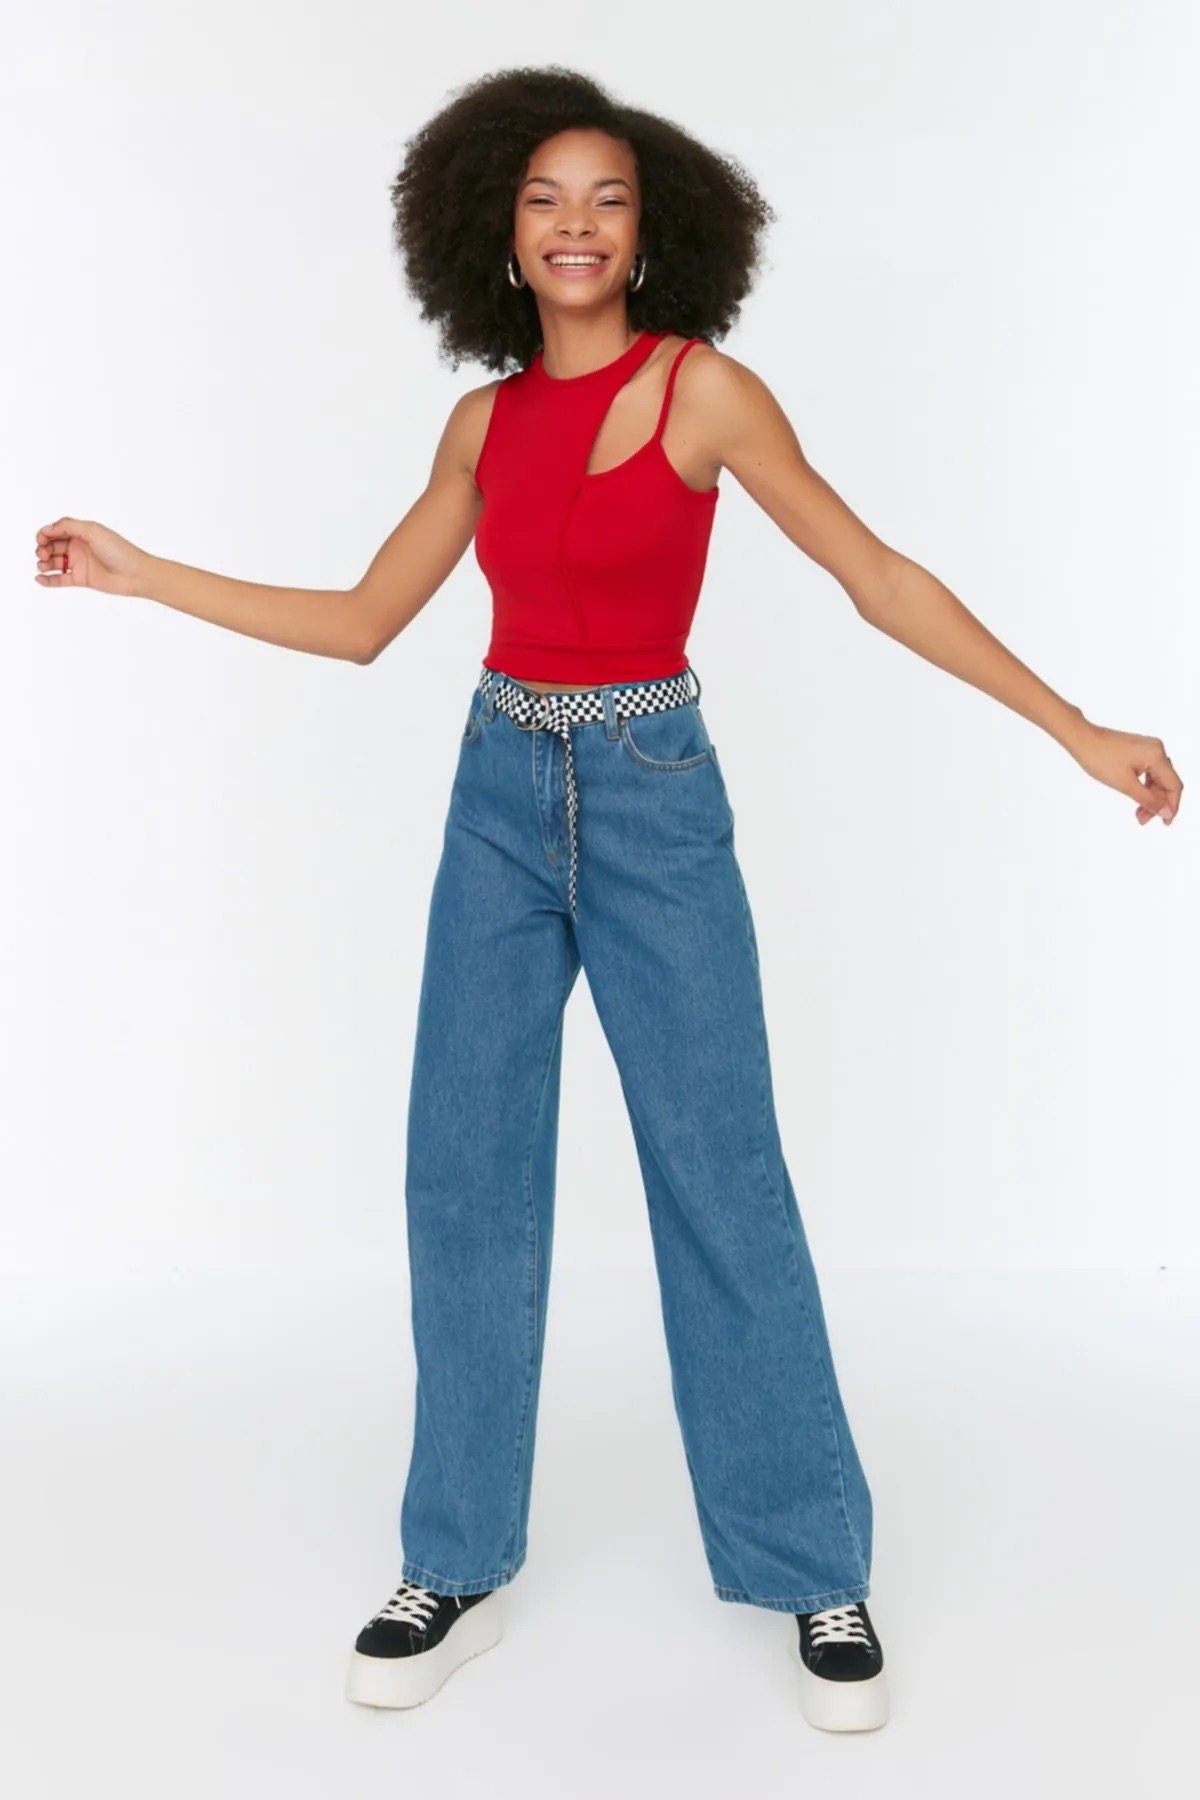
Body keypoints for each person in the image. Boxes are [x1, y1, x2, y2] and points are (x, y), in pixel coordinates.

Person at [34, 66, 1182, 1735]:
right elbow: (365, 621)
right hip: (497, 789)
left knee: (721, 1172)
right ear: (497, 229)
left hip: (652, 795)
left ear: (653, 235)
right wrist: (144, 574)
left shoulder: (702, 393)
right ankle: (457, 1560)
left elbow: (875, 577)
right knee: (464, 1172)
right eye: (546, 199)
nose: (576, 225)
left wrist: (1073, 727)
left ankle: (813, 1567)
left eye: (609, 199)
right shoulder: (485, 425)